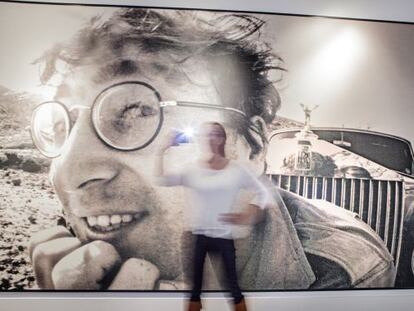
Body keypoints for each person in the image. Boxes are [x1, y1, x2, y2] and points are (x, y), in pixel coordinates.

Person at [29, 7, 396, 292]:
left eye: (140, 109)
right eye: (63, 126)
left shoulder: (345, 270)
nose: (68, 171)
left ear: (252, 149)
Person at [156, 122, 269, 311]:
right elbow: (161, 180)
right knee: (194, 290)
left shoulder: (236, 170)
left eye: (215, 134)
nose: (210, 138)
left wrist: (249, 213)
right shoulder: (193, 170)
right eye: (206, 134)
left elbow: (262, 192)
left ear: (223, 138)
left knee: (233, 288)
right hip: (197, 236)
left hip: (224, 236)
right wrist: (161, 150)